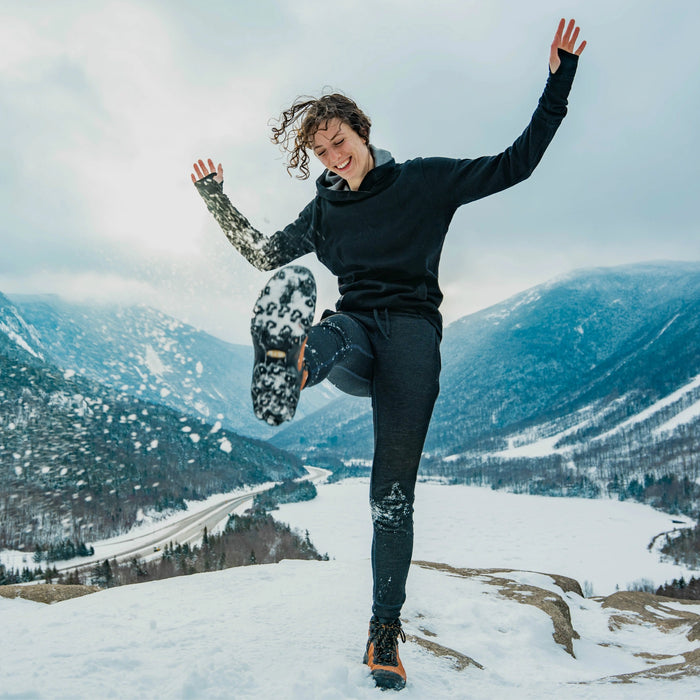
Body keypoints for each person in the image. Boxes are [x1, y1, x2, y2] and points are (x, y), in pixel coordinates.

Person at [191, 18, 585, 691]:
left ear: (361, 131)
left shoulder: (426, 182)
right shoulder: (323, 216)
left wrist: (559, 81)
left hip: (411, 342)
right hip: (353, 335)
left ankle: (383, 633)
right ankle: (293, 366)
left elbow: (516, 163)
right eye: (321, 153)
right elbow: (262, 253)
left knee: (390, 497)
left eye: (338, 142)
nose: (333, 158)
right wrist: (215, 198)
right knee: (336, 326)